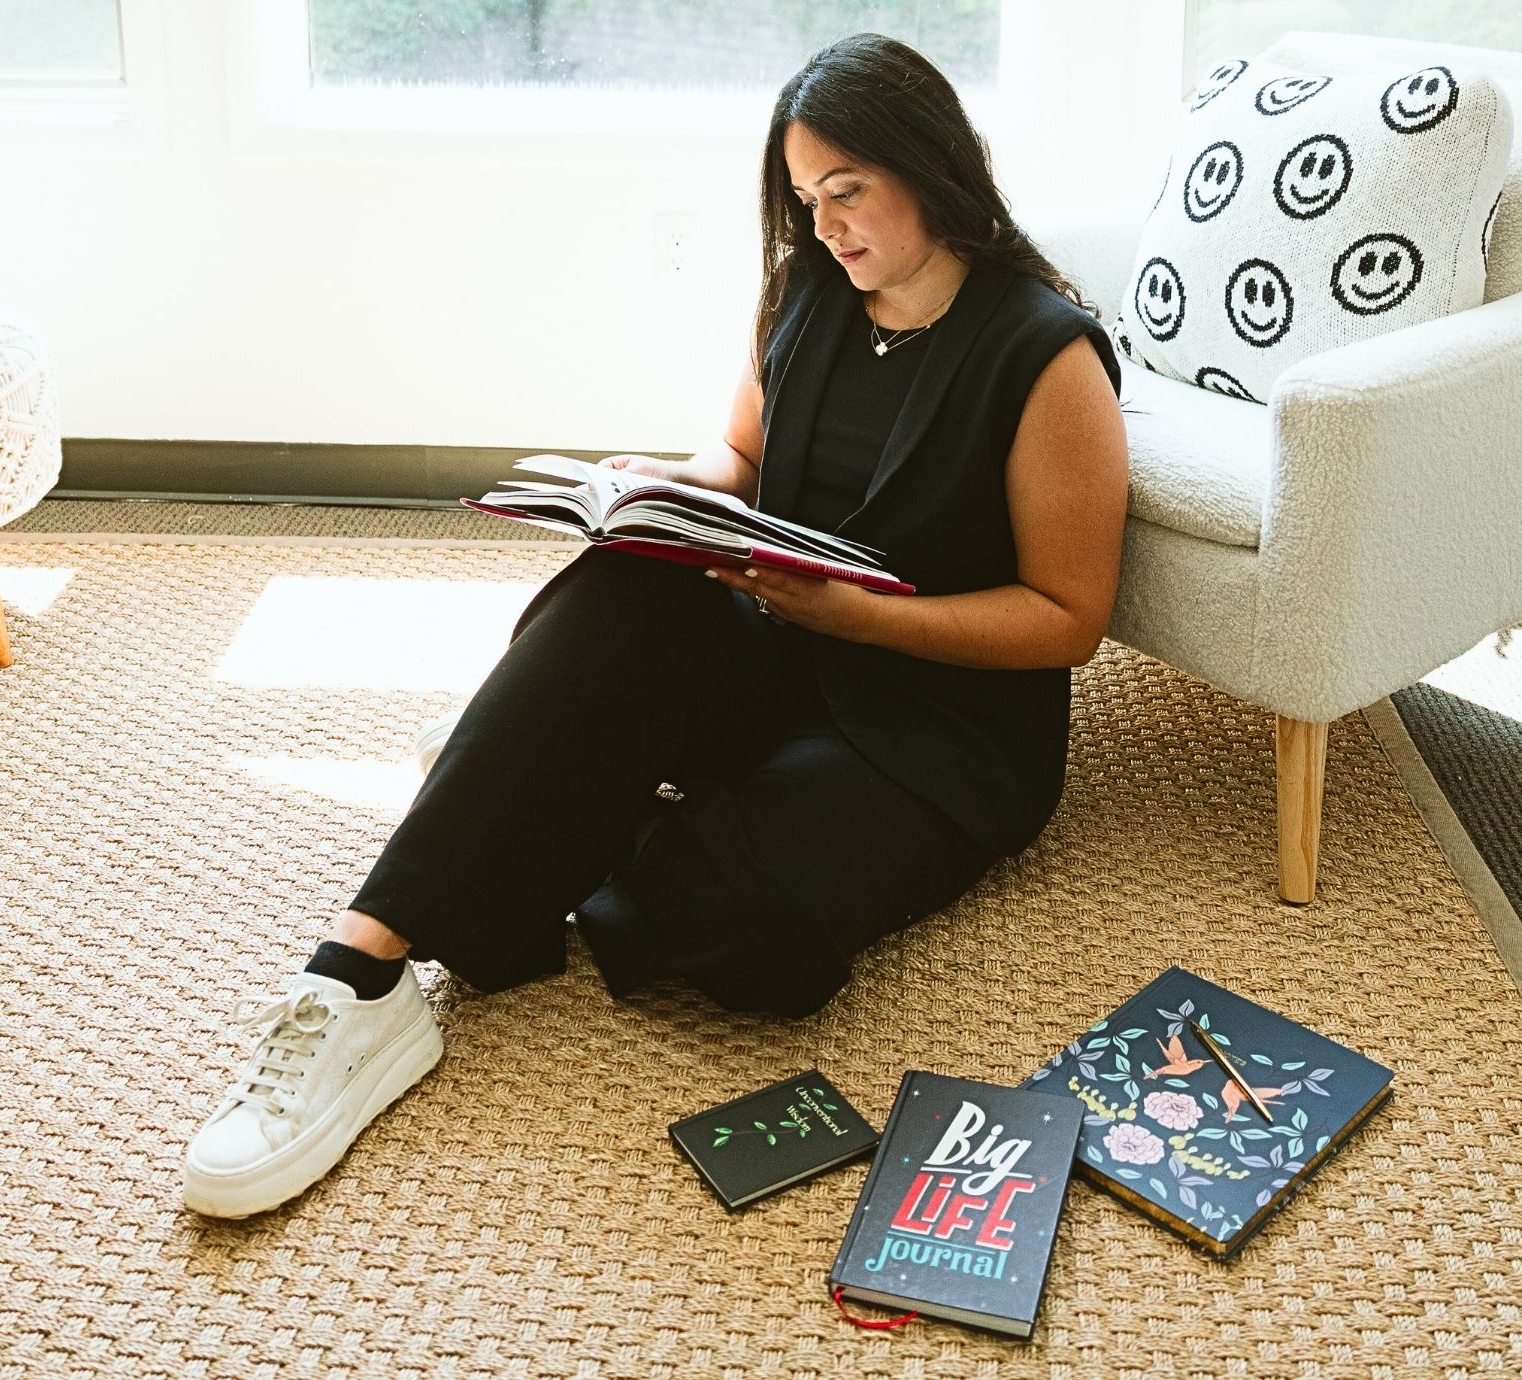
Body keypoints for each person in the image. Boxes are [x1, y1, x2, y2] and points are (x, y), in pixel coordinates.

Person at [183, 31, 1128, 1220]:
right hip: (788, 642)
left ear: (930, 167)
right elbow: (739, 452)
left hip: (942, 726)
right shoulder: (806, 294)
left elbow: (1067, 619)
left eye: (848, 193)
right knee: (624, 584)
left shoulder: (1045, 357)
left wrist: (854, 617)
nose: (826, 227)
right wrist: (666, 489)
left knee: (755, 929)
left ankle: (529, 784)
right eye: (803, 200)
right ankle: (357, 977)